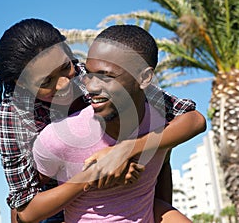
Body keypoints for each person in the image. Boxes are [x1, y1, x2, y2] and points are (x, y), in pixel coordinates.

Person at [16, 24, 206, 222]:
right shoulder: (56, 136)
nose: (91, 86)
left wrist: (126, 149)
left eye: (106, 76)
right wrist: (93, 175)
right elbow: (25, 211)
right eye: (89, 74)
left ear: (144, 78)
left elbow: (196, 121)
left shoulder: (162, 124)